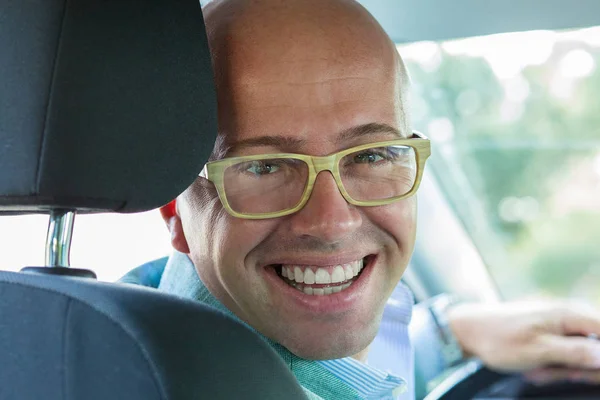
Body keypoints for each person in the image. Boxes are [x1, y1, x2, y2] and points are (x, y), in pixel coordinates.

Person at [121, 0, 600, 398]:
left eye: (371, 155)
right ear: (175, 208)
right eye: (264, 166)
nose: (332, 222)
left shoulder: (141, 309)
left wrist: (450, 334)